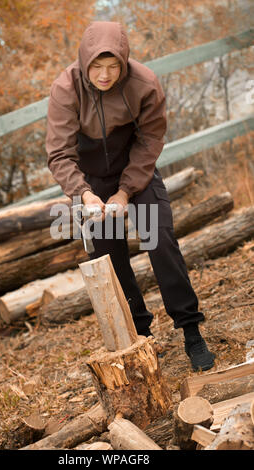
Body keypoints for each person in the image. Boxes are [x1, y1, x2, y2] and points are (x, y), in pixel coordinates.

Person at [46, 21, 215, 371]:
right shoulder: (66, 88)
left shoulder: (144, 84)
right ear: (84, 62)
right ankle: (141, 334)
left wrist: (126, 192)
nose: (105, 75)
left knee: (161, 241)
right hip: (91, 181)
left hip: (135, 171)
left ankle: (191, 330)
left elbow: (151, 140)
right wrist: (85, 194)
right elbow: (59, 154)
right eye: (97, 66)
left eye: (113, 66)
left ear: (124, 61)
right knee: (110, 259)